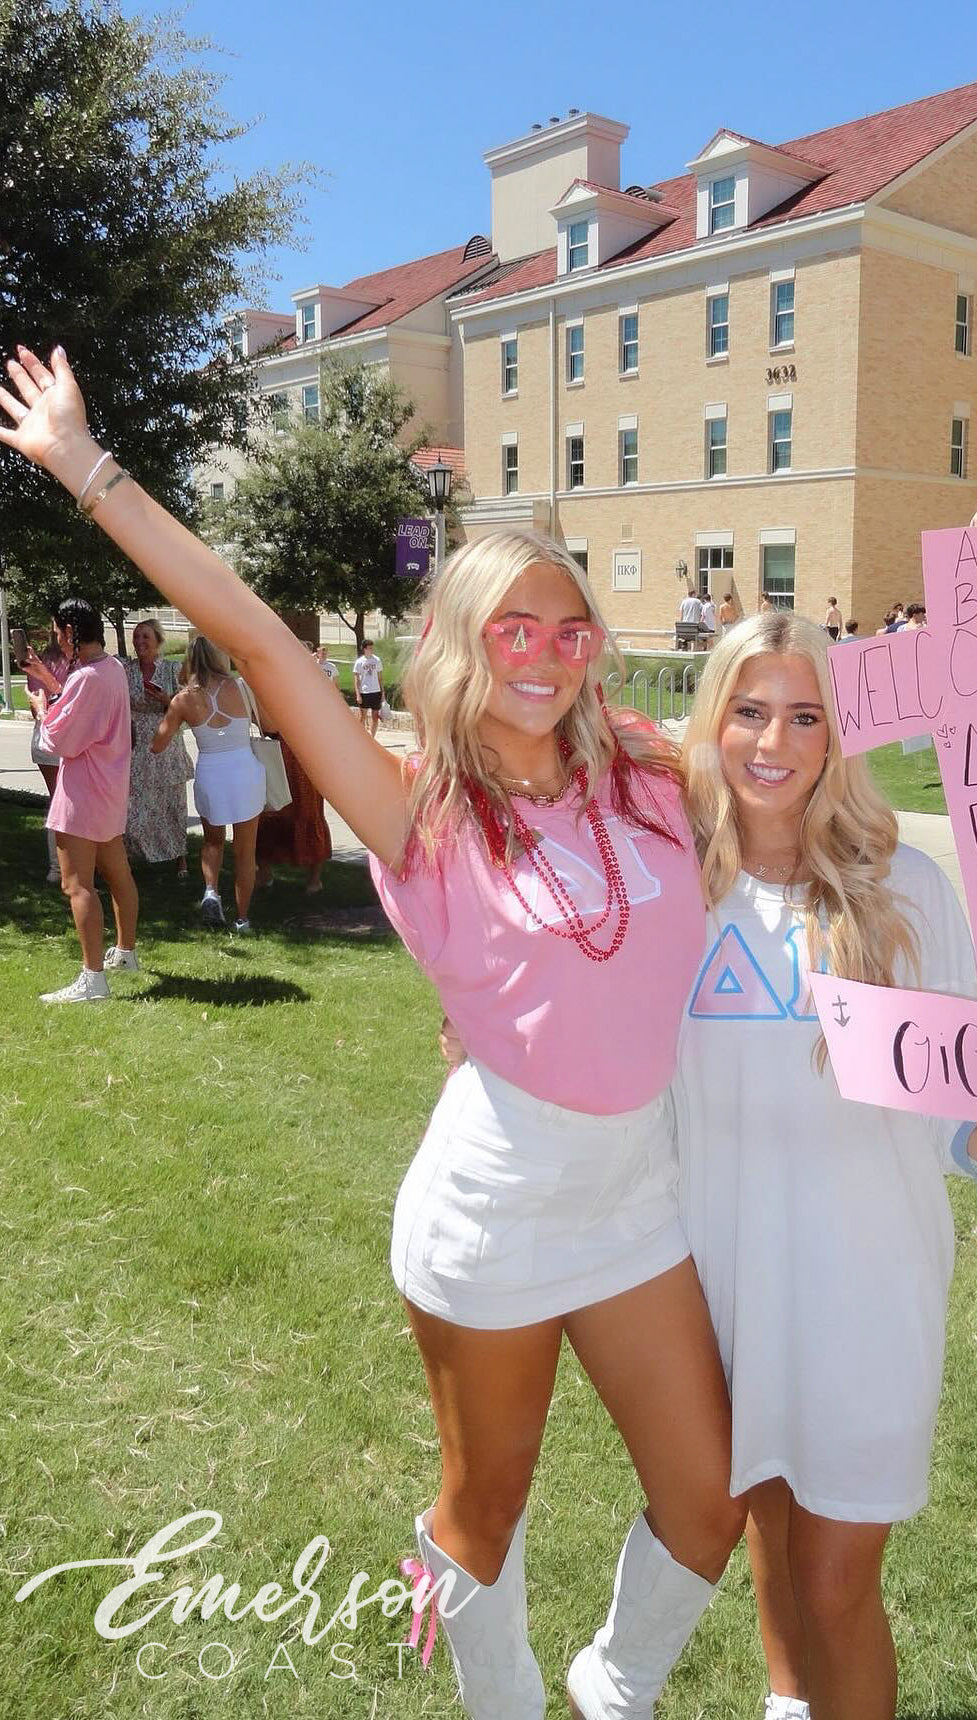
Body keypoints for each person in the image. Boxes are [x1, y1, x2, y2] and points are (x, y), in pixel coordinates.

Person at [0, 347, 744, 1720]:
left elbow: (778, 751)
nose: (543, 653)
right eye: (509, 628)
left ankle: (611, 1687)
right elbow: (264, 638)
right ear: (459, 642)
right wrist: (87, 467)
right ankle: (500, 1701)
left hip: (638, 1200)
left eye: (566, 628)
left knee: (707, 1502)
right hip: (494, 1212)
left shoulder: (641, 773)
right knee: (481, 1511)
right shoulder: (418, 812)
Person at [677, 613, 977, 1720]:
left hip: (866, 1287)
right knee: (767, 1520)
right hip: (721, 1279)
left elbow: (967, 1100)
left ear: (837, 735)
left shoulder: (903, 888)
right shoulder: (672, 890)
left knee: (835, 1576)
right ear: (712, 722)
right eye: (749, 711)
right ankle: (785, 1702)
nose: (774, 741)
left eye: (804, 715)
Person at [25, 597, 138, 1002]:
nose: (56, 639)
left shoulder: (87, 677)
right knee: (118, 874)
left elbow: (60, 740)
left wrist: (41, 707)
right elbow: (82, 712)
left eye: (58, 632)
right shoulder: (112, 669)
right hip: (108, 790)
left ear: (71, 633)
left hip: (83, 793)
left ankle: (93, 980)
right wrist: (50, 681)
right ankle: (125, 953)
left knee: (77, 885)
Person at [151, 637, 265, 932]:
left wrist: (171, 710)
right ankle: (242, 918)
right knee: (245, 851)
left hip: (211, 771)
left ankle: (211, 891)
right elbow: (271, 723)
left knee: (213, 840)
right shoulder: (241, 687)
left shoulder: (184, 699)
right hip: (244, 771)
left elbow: (158, 744)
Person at [123, 618, 191, 878]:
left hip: (167, 743)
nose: (140, 642)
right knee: (134, 802)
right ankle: (131, 854)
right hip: (136, 741)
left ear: (158, 641)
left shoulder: (173, 670)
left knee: (171, 801)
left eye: (145, 637)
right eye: (137, 636)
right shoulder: (127, 670)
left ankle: (180, 859)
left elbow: (189, 710)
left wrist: (167, 700)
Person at [21, 628, 72, 881]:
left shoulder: (40, 662)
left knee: (58, 802)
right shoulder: (74, 663)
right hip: (56, 737)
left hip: (43, 736)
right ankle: (60, 867)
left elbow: (35, 705)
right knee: (66, 804)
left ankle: (59, 867)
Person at [255, 734, 332, 893]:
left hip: (303, 757)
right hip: (285, 755)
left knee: (307, 813)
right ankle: (266, 873)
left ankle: (313, 879)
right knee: (274, 811)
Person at [352, 639, 388, 735]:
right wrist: (358, 694)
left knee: (375, 716)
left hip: (376, 691)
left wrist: (382, 692)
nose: (371, 650)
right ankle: (361, 736)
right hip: (364, 691)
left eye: (372, 648)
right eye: (369, 648)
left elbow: (380, 677)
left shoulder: (377, 660)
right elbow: (356, 680)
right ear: (364, 649)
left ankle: (372, 737)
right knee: (362, 716)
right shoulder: (359, 662)